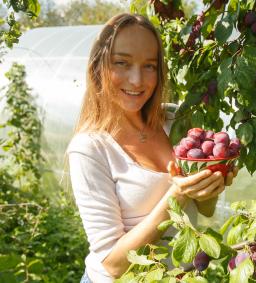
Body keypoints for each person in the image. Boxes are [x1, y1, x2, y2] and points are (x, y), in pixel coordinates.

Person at [67, 13, 237, 283]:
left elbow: (204, 210)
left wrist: (210, 183)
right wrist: (177, 194)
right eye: (122, 63)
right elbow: (113, 265)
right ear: (98, 66)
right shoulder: (90, 148)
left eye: (149, 66)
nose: (137, 80)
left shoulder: (176, 122)